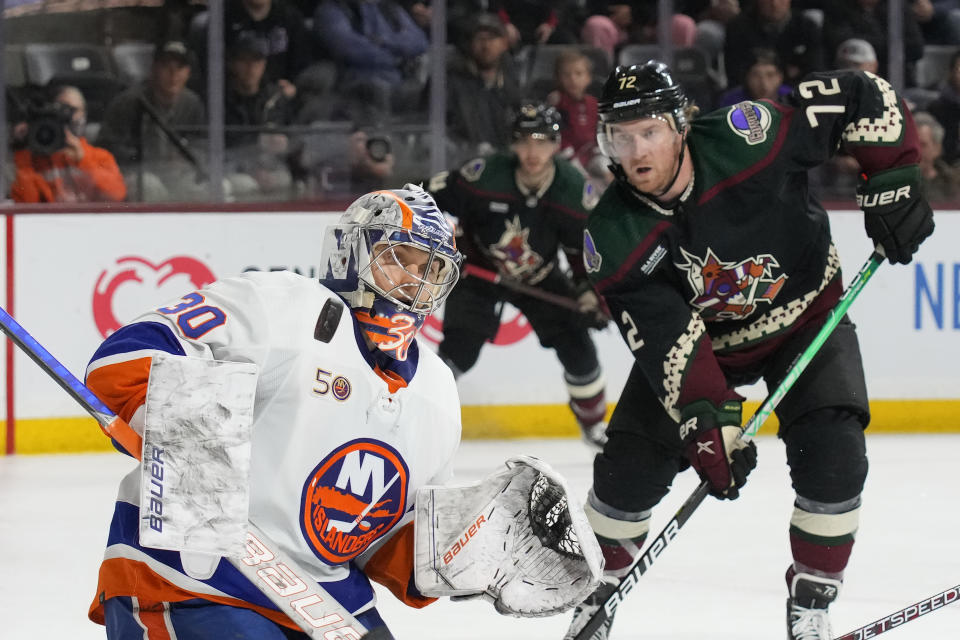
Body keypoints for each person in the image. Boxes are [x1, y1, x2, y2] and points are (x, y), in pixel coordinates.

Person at [564, 61, 934, 640]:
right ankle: (596, 589)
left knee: (836, 455)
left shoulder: (747, 137)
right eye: (621, 135)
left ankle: (811, 598)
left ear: (681, 124)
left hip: (806, 316)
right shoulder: (613, 236)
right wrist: (708, 421)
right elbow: (668, 344)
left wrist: (894, 174)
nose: (636, 151)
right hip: (708, 346)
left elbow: (862, 93)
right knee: (626, 476)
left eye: (650, 131)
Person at [84, 185, 466, 637]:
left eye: (430, 269)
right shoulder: (280, 306)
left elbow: (387, 541)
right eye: (397, 258)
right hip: (192, 575)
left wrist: (458, 555)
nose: (413, 280)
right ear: (349, 253)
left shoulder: (438, 390)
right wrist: (186, 435)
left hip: (327, 603)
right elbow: (124, 358)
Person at [428, 102, 611, 449]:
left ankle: (594, 427)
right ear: (512, 144)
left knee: (579, 349)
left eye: (542, 141)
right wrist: (441, 244)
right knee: (458, 351)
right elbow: (424, 199)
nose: (533, 151)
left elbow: (583, 253)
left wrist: (589, 292)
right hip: (478, 271)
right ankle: (418, 417)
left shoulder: (574, 190)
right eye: (525, 141)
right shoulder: (483, 175)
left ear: (557, 146)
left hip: (539, 277)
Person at [96, 40, 207, 202]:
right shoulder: (128, 102)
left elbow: (203, 144)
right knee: (149, 187)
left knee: (213, 187)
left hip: (179, 175)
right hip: (138, 174)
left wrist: (187, 158)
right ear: (154, 69)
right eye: (166, 66)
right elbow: (106, 147)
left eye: (180, 68)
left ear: (188, 72)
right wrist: (145, 158)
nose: (173, 74)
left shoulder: (193, 103)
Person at [10, 85, 126, 203]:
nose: (68, 116)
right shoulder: (35, 161)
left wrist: (83, 160)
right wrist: (23, 150)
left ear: (84, 115)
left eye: (73, 110)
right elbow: (25, 207)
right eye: (60, 108)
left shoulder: (100, 157)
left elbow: (116, 195)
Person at [446, 12, 522, 162]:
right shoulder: (450, 81)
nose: (486, 45)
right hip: (464, 163)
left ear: (504, 43)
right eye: (480, 39)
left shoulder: (512, 80)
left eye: (492, 39)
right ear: (469, 44)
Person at [717, 47, 792, 107]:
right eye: (756, 75)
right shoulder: (731, 102)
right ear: (746, 77)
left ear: (780, 76)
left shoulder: (791, 98)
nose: (764, 83)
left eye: (770, 75)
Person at [914, 111, 960, 201]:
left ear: (937, 148)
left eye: (923, 145)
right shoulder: (895, 185)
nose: (916, 151)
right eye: (912, 145)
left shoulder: (953, 183)